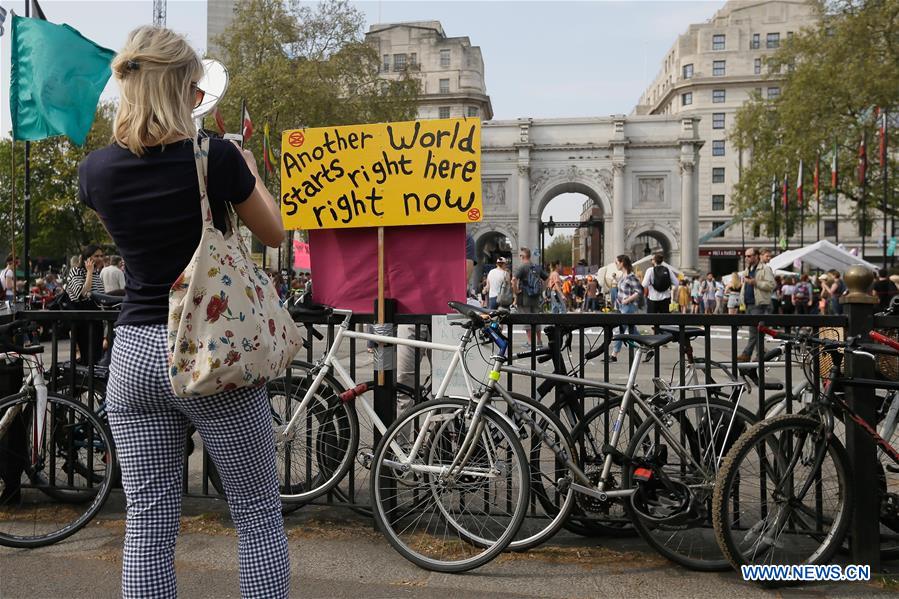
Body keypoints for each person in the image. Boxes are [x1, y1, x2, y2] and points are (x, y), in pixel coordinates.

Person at [77, 27, 289, 598]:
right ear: (181, 90)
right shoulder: (215, 157)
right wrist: (248, 169)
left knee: (148, 519)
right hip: (208, 349)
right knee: (257, 512)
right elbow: (273, 232)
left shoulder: (95, 171)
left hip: (134, 354)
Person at [737, 248, 775, 361]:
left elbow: (771, 285)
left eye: (749, 256)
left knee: (754, 331)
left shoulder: (765, 268)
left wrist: (755, 282)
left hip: (758, 303)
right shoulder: (747, 269)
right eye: (745, 256)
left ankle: (746, 354)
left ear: (756, 256)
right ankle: (760, 354)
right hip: (748, 304)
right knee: (757, 331)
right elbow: (745, 286)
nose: (746, 258)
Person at [609, 255, 644, 362]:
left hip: (628, 306)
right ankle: (648, 347)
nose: (616, 265)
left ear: (622, 263)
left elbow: (639, 291)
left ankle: (614, 354)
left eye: (617, 262)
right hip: (622, 306)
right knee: (632, 331)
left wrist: (627, 300)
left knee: (619, 330)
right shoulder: (623, 276)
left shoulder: (631, 277)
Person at [512, 247, 547, 348]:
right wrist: (542, 290)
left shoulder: (522, 267)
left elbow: (513, 280)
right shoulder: (537, 267)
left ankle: (530, 342)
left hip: (524, 298)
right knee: (536, 318)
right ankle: (539, 341)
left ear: (522, 256)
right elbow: (546, 278)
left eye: (520, 256)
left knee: (527, 319)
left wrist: (516, 291)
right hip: (536, 297)